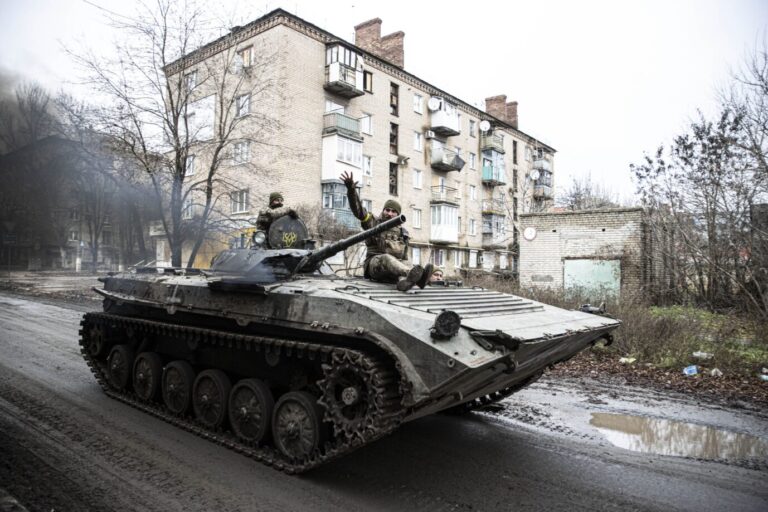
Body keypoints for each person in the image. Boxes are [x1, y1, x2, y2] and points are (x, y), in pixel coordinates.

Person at [341, 171, 433, 291]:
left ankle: (407, 282)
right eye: (387, 210)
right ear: (383, 210)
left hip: (395, 270)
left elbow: (404, 258)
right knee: (387, 258)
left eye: (393, 211)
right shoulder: (373, 223)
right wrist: (351, 190)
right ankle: (413, 275)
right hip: (374, 265)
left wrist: (407, 265)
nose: (389, 213)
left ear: (398, 214)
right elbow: (358, 211)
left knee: (407, 262)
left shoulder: (403, 233)